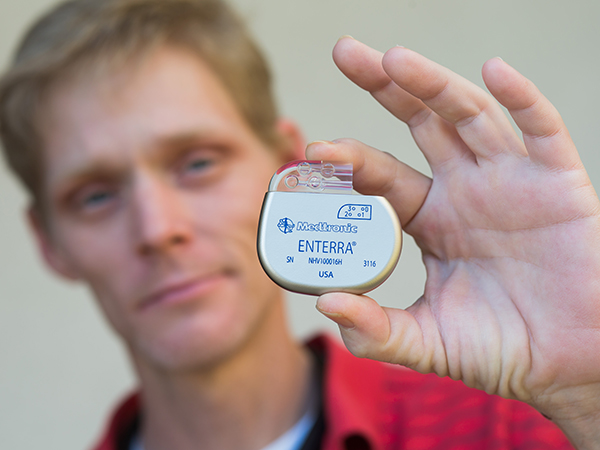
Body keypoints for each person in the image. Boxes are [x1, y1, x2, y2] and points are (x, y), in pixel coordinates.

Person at [0, 0, 597, 449]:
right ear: (50, 243)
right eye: (96, 195)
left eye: (198, 162)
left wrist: (585, 393)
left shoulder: (505, 428)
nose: (158, 228)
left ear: (291, 169)